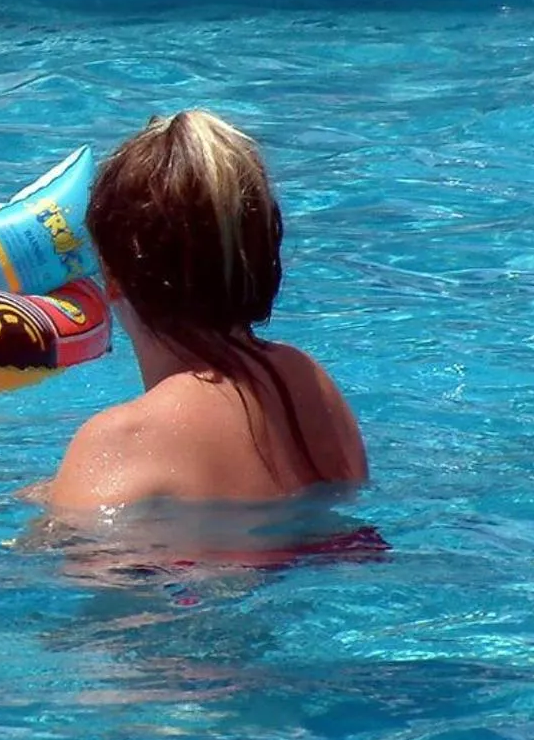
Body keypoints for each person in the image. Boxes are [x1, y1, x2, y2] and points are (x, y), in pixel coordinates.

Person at [33, 110, 368, 517]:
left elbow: (81, 565)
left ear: (112, 277)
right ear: (260, 255)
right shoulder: (312, 385)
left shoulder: (121, 441)